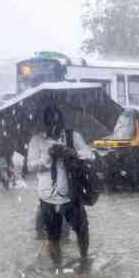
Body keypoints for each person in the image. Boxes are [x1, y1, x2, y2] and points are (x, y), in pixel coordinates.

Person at [27, 105, 94, 268]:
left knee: (82, 230)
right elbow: (30, 167)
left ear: (62, 120)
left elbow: (90, 156)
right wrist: (48, 157)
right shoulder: (37, 140)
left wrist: (72, 153)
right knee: (53, 236)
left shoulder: (73, 136)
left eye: (57, 120)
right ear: (45, 122)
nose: (54, 125)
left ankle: (84, 259)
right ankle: (58, 268)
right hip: (47, 196)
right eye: (50, 120)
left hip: (72, 193)